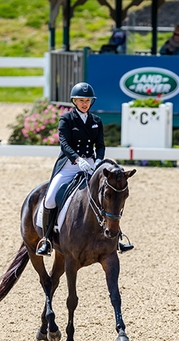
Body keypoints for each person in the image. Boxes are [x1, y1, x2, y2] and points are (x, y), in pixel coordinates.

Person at [36, 82, 134, 256]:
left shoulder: (96, 121)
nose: (84, 103)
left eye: (87, 100)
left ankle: (117, 238)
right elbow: (64, 144)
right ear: (74, 101)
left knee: (108, 194)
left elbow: (101, 145)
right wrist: (77, 159)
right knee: (50, 198)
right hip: (69, 165)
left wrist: (98, 161)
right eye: (81, 100)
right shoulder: (66, 119)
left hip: (91, 166)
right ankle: (48, 240)